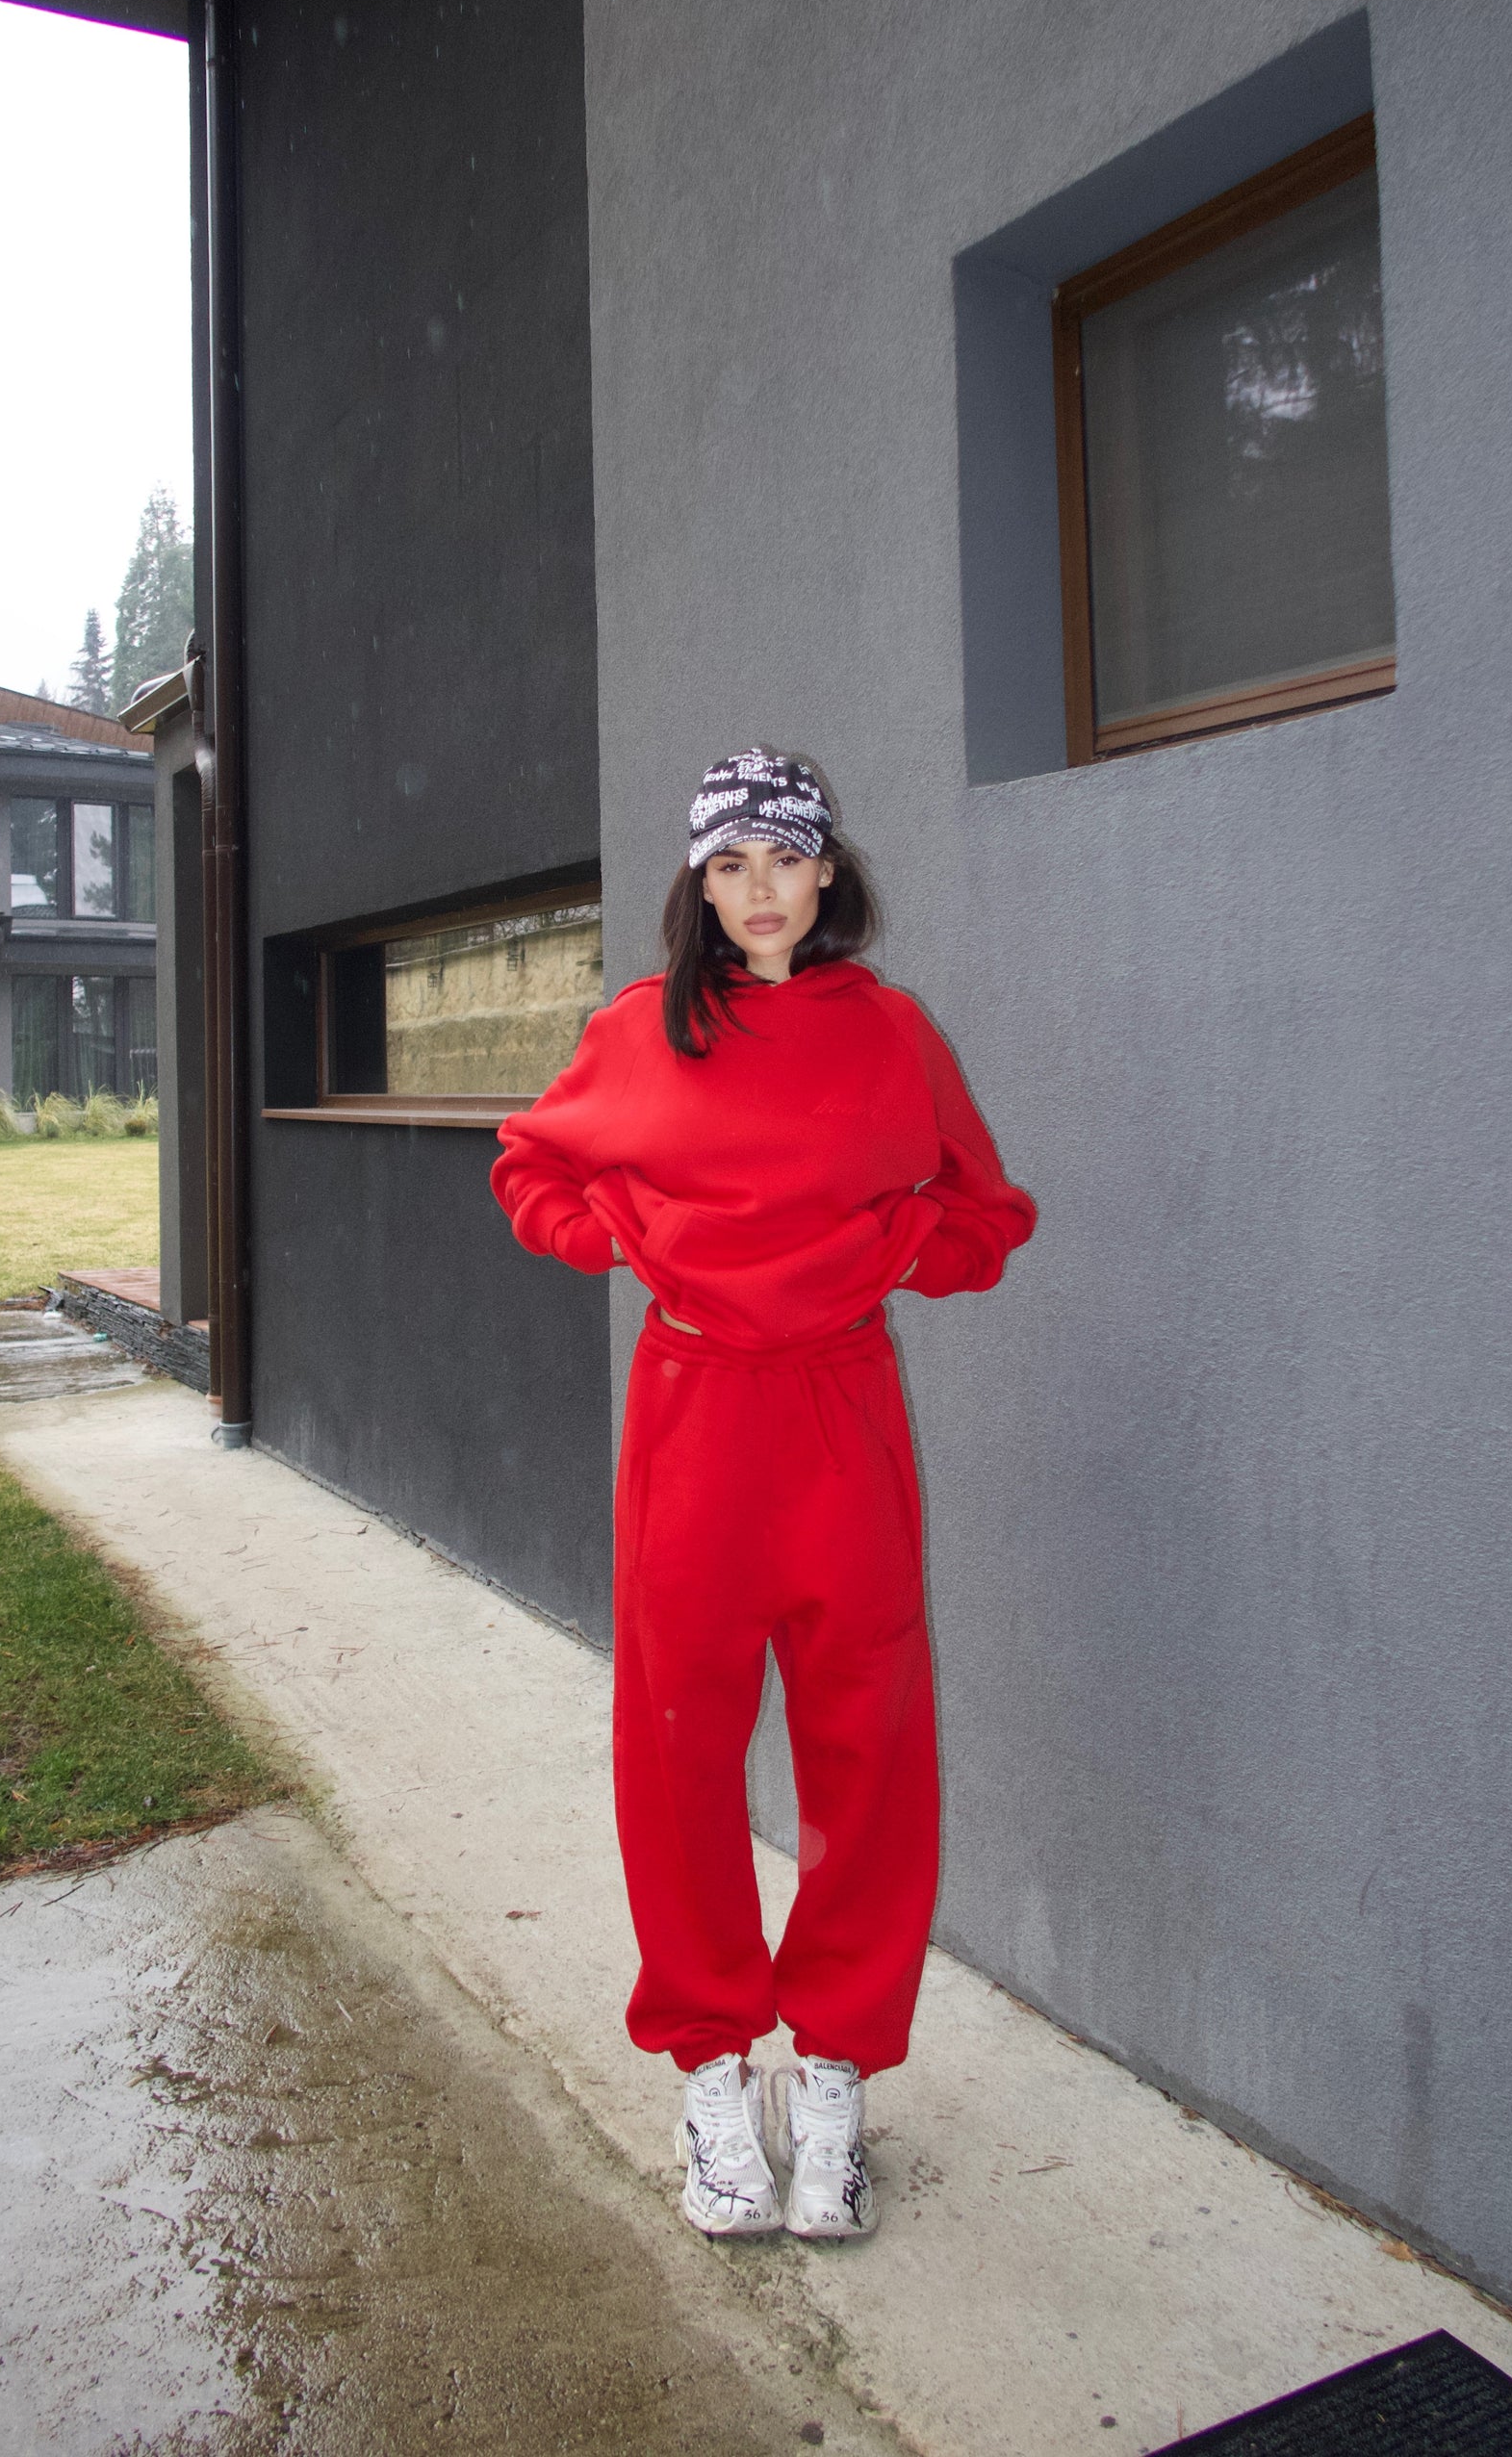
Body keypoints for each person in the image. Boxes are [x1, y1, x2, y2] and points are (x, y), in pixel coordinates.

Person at [491, 748, 1036, 2239]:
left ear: (828, 874)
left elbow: (985, 1214)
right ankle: (715, 2068)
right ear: (697, 886)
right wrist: (607, 1234)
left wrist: (889, 1257)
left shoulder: (891, 1034)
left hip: (842, 1413)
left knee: (872, 1741)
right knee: (679, 1745)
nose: (758, 893)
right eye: (727, 868)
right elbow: (529, 1166)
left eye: (783, 862)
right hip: (694, 1419)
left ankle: (838, 2068)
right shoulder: (640, 1033)